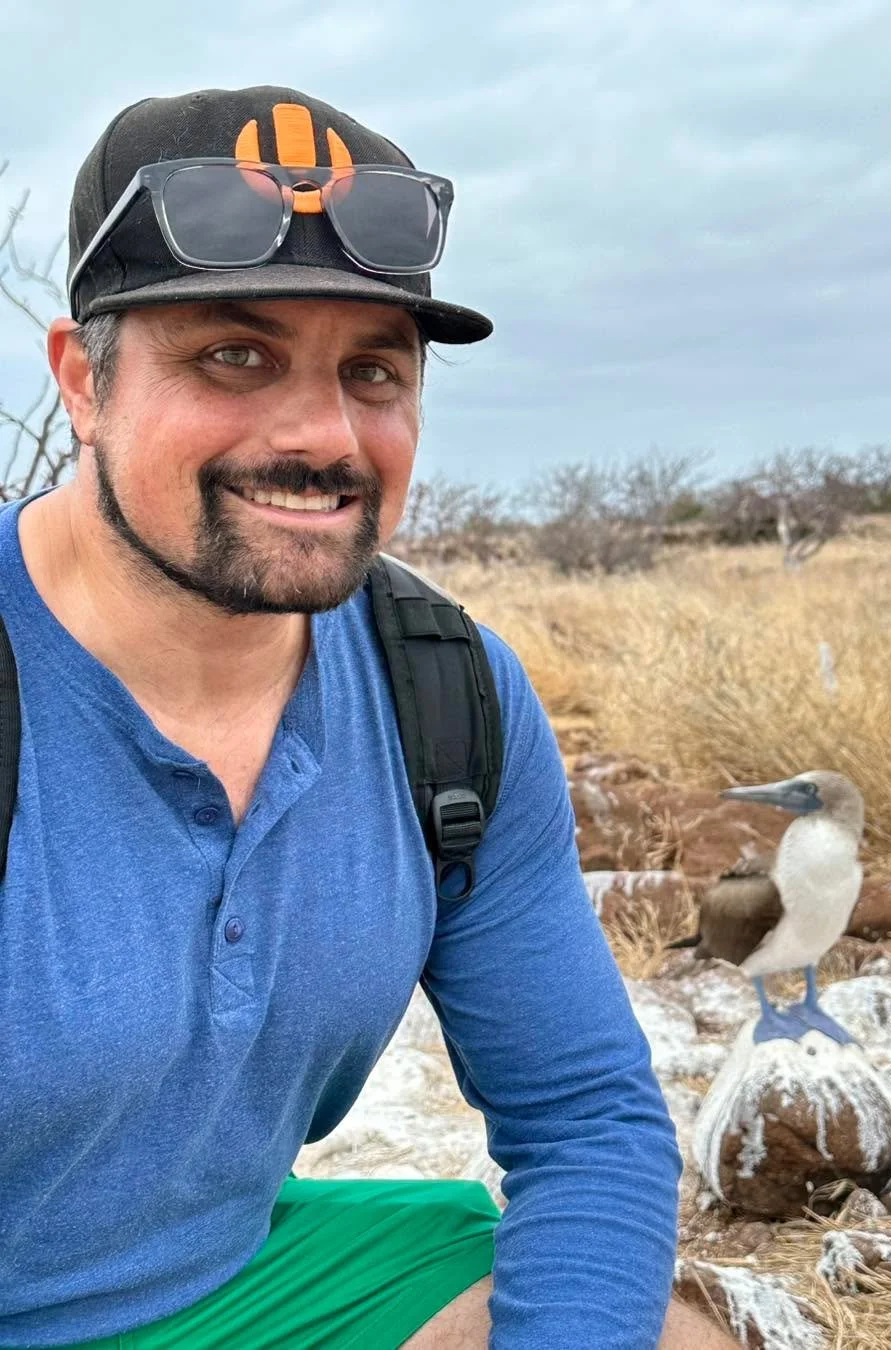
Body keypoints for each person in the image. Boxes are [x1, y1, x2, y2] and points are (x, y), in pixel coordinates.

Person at [0, 86, 739, 1349]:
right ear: (83, 377)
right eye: (235, 355)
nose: (323, 434)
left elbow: (583, 1116)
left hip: (233, 1278)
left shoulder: (442, 694)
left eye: (373, 371)